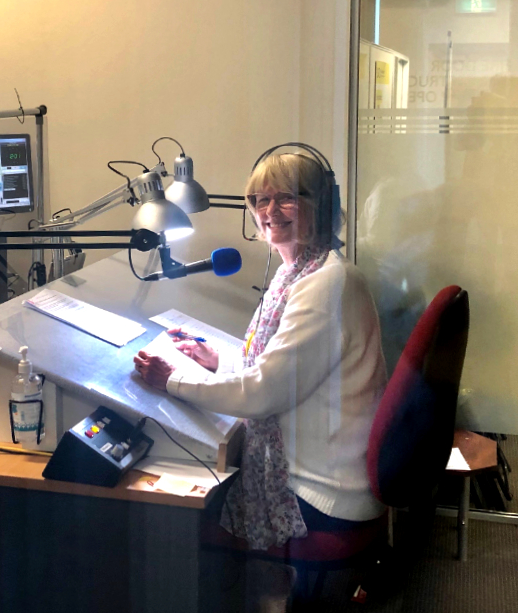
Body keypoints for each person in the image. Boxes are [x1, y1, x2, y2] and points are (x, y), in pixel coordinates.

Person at [134, 150, 387, 550]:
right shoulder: (301, 270)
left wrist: (172, 379)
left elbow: (262, 393)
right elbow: (277, 368)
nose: (269, 210)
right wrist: (215, 359)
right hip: (324, 472)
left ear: (319, 204)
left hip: (323, 494)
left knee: (174, 514)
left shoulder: (324, 285)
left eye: (286, 197)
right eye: (259, 199)